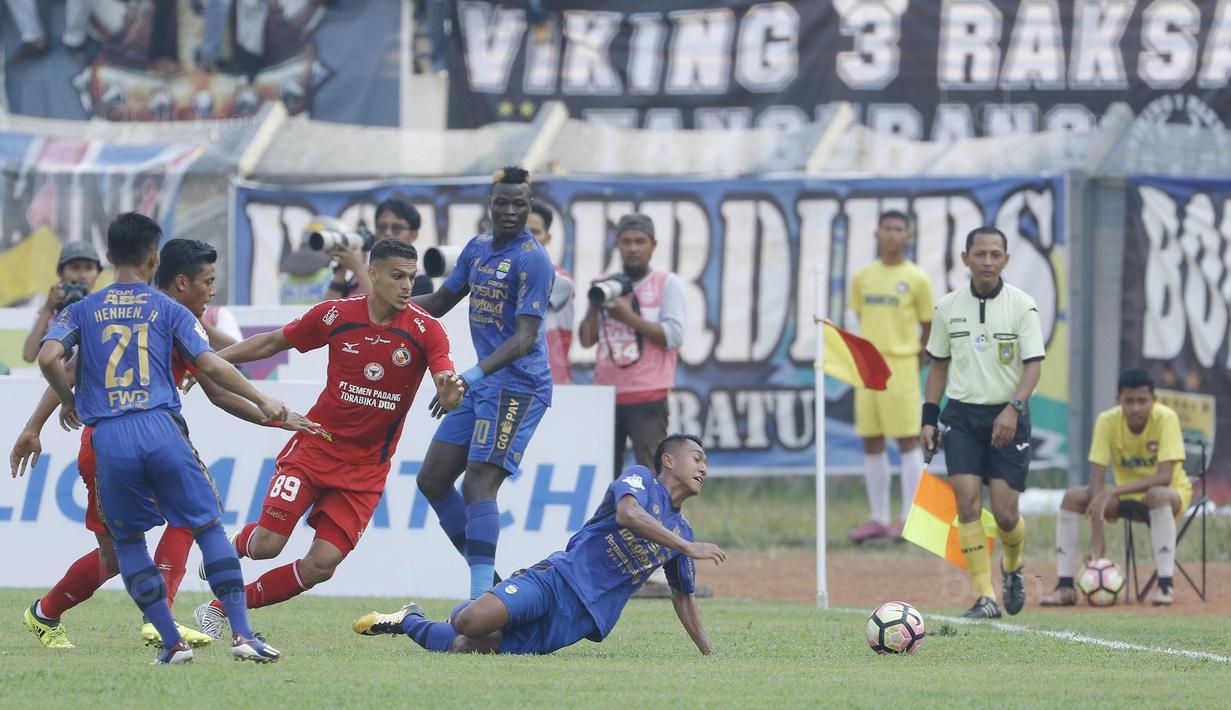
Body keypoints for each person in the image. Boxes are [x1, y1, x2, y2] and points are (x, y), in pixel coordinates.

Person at [12, 238, 314, 650]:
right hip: (109, 446)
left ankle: (60, 614)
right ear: (179, 282)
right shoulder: (158, 315)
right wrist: (36, 425)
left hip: (136, 442)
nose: (212, 291)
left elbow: (218, 390)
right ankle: (56, 615)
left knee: (152, 537)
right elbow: (70, 365)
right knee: (127, 549)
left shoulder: (170, 316)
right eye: (207, 282)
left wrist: (273, 418)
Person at [192, 238, 464, 639]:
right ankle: (231, 543)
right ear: (372, 275)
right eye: (397, 277)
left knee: (320, 566)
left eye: (411, 277)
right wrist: (207, 362)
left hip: (366, 471)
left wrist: (449, 392)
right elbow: (271, 342)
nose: (407, 286)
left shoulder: (427, 331)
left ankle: (218, 610)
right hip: (315, 448)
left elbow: (445, 374)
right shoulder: (337, 315)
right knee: (268, 545)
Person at [352, 434, 725, 655]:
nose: (704, 468)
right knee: (470, 621)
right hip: (556, 581)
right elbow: (628, 515)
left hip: (578, 620)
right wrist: (686, 547)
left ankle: (408, 619)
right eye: (697, 458)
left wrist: (709, 653)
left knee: (467, 647)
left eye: (706, 463)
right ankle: (490, 600)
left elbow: (683, 596)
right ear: (668, 459)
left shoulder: (682, 533)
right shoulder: (642, 479)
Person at [413, 166, 556, 600]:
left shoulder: (533, 259)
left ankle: (480, 603)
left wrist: (467, 376)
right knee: (433, 481)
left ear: (530, 208)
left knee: (477, 484)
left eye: (520, 204)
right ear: (489, 205)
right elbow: (439, 302)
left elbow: (525, 337)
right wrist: (374, 306)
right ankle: (491, 587)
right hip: (483, 382)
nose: (511, 211)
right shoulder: (476, 250)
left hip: (519, 385)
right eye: (503, 202)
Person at [920, 225, 1044, 619]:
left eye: (995, 254)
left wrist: (1013, 409)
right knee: (967, 505)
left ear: (1006, 260)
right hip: (962, 416)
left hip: (1010, 415)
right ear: (965, 258)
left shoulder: (1023, 306)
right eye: (980, 254)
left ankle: (1012, 567)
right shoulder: (947, 308)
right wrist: (929, 418)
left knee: (1006, 514)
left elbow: (1033, 367)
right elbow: (937, 367)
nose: (987, 261)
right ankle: (985, 596)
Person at [1041, 368, 1192, 607]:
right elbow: (1097, 478)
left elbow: (1164, 477)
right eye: (1128, 401)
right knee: (1072, 497)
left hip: (1168, 495)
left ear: (1154, 400)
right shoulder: (1106, 421)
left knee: (1156, 494)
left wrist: (1112, 491)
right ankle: (1065, 586)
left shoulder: (1166, 418)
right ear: (1117, 400)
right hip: (1124, 495)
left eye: (1142, 401)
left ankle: (1165, 586)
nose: (1135, 408)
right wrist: (1097, 536)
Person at [578, 213, 686, 480]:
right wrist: (594, 305)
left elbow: (674, 335)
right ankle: (610, 523)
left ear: (653, 245)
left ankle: (653, 522)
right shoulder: (607, 285)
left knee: (651, 474)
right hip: (606, 396)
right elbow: (586, 339)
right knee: (604, 474)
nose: (633, 248)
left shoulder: (667, 283)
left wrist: (628, 318)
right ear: (617, 245)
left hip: (648, 397)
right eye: (626, 242)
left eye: (640, 241)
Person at [847, 211, 933, 542]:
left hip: (901, 366)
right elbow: (857, 317)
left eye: (900, 229)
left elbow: (928, 323)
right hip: (868, 367)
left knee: (907, 439)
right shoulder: (863, 276)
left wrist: (919, 354)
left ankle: (909, 517)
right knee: (871, 438)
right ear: (877, 234)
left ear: (908, 237)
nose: (893, 235)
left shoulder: (917, 278)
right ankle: (879, 518)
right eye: (888, 229)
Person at [325, 197, 434, 300]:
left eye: (396, 228)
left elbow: (387, 313)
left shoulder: (420, 281)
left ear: (414, 234)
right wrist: (341, 270)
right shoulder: (362, 274)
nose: (387, 233)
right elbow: (329, 313)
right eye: (382, 227)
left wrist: (358, 268)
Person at [22, 241, 104, 363]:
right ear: (60, 272)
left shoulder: (102, 308)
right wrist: (48, 308)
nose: (82, 275)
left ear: (97, 273)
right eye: (75, 267)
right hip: (56, 381)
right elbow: (29, 355)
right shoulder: (51, 308)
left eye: (89, 268)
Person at [527, 202, 574, 384]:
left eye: (535, 232)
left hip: (552, 381)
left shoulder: (562, 279)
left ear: (548, 237)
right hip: (513, 379)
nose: (528, 239)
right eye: (521, 233)